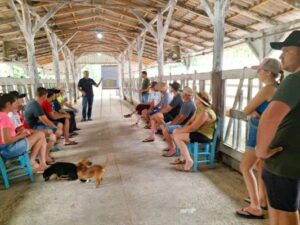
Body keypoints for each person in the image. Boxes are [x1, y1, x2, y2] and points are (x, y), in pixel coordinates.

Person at [256, 30, 300, 225]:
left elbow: (270, 117)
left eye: (287, 50)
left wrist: (262, 150)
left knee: (285, 213)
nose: (281, 55)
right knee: (282, 208)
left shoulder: (294, 80)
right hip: (294, 161)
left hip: (283, 163)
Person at [0, 94, 48, 173]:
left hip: (5, 149)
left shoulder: (2, 115)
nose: (17, 105)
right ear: (8, 104)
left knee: (40, 137)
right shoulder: (4, 117)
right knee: (41, 135)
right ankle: (32, 160)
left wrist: (18, 135)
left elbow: (3, 138)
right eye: (15, 103)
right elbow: (6, 141)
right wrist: (21, 136)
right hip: (8, 150)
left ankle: (41, 163)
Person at [173, 91, 216, 172]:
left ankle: (188, 161)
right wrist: (180, 130)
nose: (195, 99)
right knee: (176, 132)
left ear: (200, 101)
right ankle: (182, 158)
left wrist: (180, 131)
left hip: (204, 136)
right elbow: (191, 121)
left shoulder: (205, 113)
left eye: (196, 98)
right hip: (198, 132)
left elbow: (193, 128)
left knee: (177, 136)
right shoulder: (199, 109)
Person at [8, 90, 57, 162]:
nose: (22, 100)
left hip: (27, 131)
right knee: (47, 135)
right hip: (23, 135)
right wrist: (44, 130)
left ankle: (42, 160)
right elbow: (21, 131)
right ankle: (35, 160)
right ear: (14, 101)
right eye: (20, 98)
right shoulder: (11, 114)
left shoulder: (17, 111)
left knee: (48, 135)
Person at [161, 87, 196, 157]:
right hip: (181, 123)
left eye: (183, 93)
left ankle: (172, 149)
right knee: (164, 125)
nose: (182, 94)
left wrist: (171, 125)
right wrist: (171, 123)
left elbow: (182, 119)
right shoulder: (185, 102)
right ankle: (170, 145)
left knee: (166, 130)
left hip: (184, 125)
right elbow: (178, 116)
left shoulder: (189, 104)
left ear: (187, 95)